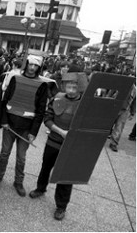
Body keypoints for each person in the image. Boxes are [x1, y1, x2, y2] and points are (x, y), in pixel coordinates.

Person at [28, 69, 88, 220]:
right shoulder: (57, 98)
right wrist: (61, 132)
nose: (71, 90)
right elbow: (48, 118)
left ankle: (61, 206)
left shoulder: (85, 104)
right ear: (64, 86)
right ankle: (40, 189)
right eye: (68, 87)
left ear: (80, 87)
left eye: (74, 87)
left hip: (70, 147)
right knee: (46, 167)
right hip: (53, 142)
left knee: (65, 176)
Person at [0, 54, 49, 197]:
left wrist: (33, 132)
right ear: (26, 64)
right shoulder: (15, 78)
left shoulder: (42, 85)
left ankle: (18, 181)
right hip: (9, 125)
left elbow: (41, 110)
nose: (32, 68)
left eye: (36, 66)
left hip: (26, 128)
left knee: (21, 157)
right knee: (4, 153)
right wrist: (3, 121)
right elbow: (4, 101)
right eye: (30, 64)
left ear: (39, 67)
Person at [109, 84, 136, 152]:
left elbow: (134, 102)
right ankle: (100, 138)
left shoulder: (134, 90)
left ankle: (113, 143)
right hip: (114, 107)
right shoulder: (120, 83)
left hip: (125, 110)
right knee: (107, 124)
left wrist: (132, 113)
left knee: (119, 127)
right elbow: (110, 94)